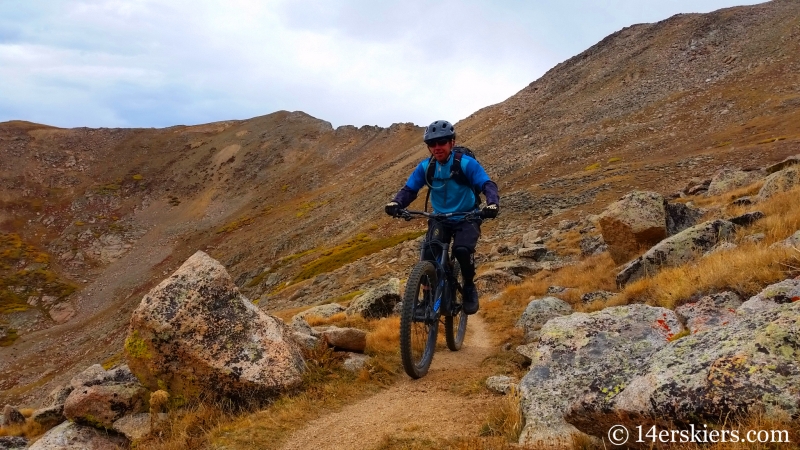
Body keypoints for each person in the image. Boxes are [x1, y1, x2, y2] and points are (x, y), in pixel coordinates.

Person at [384, 120, 499, 314]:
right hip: (440, 217)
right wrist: (397, 203)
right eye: (432, 144)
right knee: (429, 254)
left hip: (467, 215)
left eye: (442, 142)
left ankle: (469, 287)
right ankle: (427, 299)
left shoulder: (466, 163)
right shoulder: (425, 167)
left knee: (462, 250)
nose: (437, 148)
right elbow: (410, 189)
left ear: (452, 143)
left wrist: (492, 203)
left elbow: (486, 184)